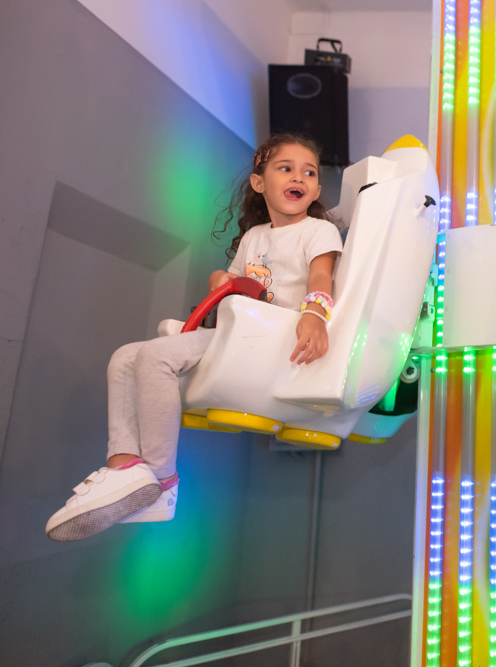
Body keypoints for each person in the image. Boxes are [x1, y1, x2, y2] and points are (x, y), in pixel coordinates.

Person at [45, 134, 344, 541]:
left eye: (308, 173)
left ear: (317, 190)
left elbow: (321, 276)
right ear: (259, 183)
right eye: (286, 168)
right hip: (237, 335)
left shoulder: (318, 231)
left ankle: (161, 482)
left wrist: (314, 315)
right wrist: (219, 279)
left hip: (272, 340)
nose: (299, 177)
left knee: (155, 357)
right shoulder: (255, 236)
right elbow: (233, 287)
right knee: (124, 357)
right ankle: (125, 467)